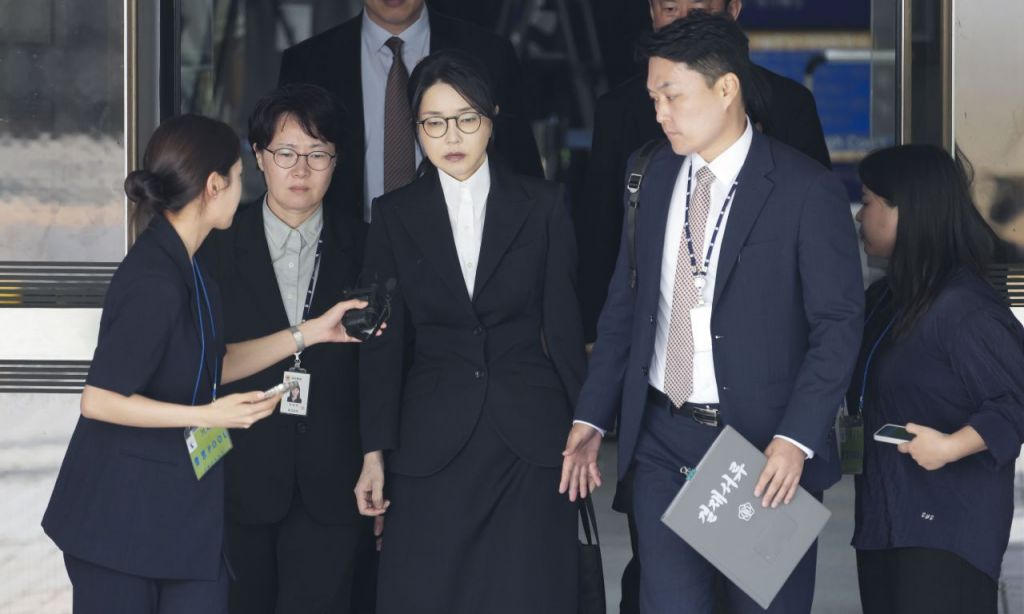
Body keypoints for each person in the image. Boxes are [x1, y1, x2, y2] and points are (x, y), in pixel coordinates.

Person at [560, 13, 863, 614]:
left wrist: (795, 439)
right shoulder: (649, 174)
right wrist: (592, 416)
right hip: (663, 439)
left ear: (726, 88)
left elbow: (837, 326)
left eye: (672, 95)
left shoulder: (803, 190)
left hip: (760, 446)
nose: (660, 113)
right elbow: (626, 308)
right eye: (654, 98)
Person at [41, 114, 369, 614]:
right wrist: (207, 415)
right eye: (239, 177)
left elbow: (214, 362)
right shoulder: (154, 279)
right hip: (121, 518)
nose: (243, 189)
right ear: (214, 186)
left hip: (180, 509)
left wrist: (311, 332)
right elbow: (99, 400)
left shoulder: (193, 267)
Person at [354, 50, 586, 614]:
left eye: (466, 118)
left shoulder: (543, 205)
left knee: (528, 593)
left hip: (528, 438)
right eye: (434, 122)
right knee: (428, 593)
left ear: (492, 117)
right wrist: (373, 452)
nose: (451, 136)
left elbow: (564, 328)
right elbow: (383, 345)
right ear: (415, 128)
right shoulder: (393, 215)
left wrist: (587, 427)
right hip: (431, 439)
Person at [199, 84, 368, 614]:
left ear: (336, 161)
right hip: (236, 475)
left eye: (318, 154)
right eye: (286, 153)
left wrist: (377, 459)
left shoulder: (369, 245)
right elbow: (198, 363)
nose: (301, 169)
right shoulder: (215, 246)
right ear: (258, 157)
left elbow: (387, 367)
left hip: (336, 478)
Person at [577, 0, 831, 343]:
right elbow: (601, 236)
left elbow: (821, 268)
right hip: (652, 345)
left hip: (760, 343)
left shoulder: (787, 105)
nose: (685, 23)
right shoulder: (621, 113)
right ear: (651, 12)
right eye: (670, 9)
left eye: (699, 11)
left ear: (733, 10)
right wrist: (592, 339)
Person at [850, 144, 1024, 614]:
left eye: (868, 202)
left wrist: (950, 447)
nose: (860, 216)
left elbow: (1016, 400)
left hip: (945, 532)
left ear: (907, 210)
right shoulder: (887, 299)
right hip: (885, 521)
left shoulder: (963, 307)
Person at [278, 0, 542, 225]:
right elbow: (284, 171)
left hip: (465, 244)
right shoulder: (307, 63)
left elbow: (522, 170)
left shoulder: (490, 54)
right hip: (345, 250)